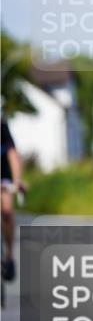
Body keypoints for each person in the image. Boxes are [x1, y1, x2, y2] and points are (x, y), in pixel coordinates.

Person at [1, 106, 25, 282]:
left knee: (7, 211)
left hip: (3, 177)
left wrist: (17, 181)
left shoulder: (2, 129)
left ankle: (9, 256)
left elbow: (13, 156)